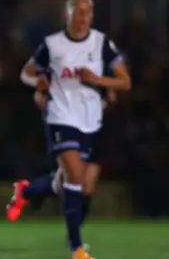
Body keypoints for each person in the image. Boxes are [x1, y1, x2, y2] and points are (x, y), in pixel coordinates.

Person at [6, 0, 131, 259]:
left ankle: (26, 192)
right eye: (79, 12)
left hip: (92, 119)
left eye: (88, 12)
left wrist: (98, 80)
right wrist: (37, 80)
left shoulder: (101, 43)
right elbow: (26, 72)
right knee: (74, 177)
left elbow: (125, 81)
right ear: (68, 15)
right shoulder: (52, 44)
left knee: (82, 185)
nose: (83, 17)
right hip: (60, 116)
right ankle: (76, 246)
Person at [8, 88, 118, 250]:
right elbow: (39, 92)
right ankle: (73, 237)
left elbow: (115, 92)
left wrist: (107, 97)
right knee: (71, 181)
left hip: (96, 126)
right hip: (71, 125)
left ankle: (28, 191)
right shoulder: (62, 68)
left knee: (85, 186)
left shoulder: (100, 67)